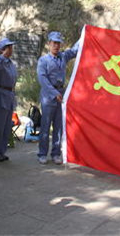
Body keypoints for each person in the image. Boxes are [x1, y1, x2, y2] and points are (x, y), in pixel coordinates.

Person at [36, 31, 79, 164]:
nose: (56, 46)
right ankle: (42, 154)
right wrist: (55, 94)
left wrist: (85, 34)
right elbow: (42, 79)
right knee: (45, 125)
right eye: (54, 43)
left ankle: (56, 153)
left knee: (59, 127)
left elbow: (74, 50)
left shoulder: (63, 57)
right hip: (49, 96)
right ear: (49, 44)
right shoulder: (44, 60)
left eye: (58, 43)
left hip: (61, 94)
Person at [0, 38, 18, 162]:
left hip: (9, 94)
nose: (10, 50)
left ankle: (1, 151)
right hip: (1, 94)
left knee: (6, 126)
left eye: (11, 47)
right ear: (2, 49)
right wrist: (2, 56)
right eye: (8, 47)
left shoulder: (10, 63)